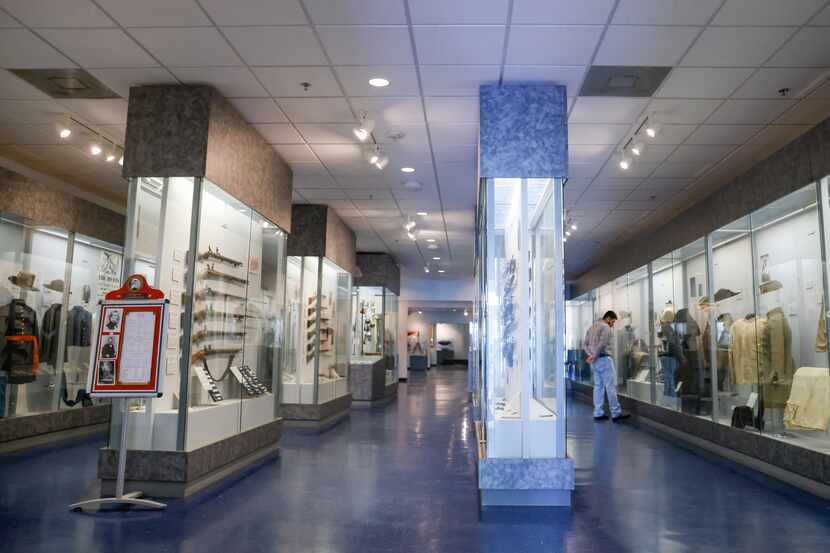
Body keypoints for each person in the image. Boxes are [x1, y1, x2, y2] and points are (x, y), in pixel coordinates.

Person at [584, 310, 630, 422]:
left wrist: (591, 356)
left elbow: (584, 344)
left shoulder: (592, 327)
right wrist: (594, 355)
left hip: (594, 362)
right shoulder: (606, 327)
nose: (612, 324)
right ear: (608, 318)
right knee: (610, 387)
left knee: (598, 386)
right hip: (604, 360)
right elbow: (602, 344)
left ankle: (598, 412)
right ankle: (616, 413)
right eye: (613, 321)